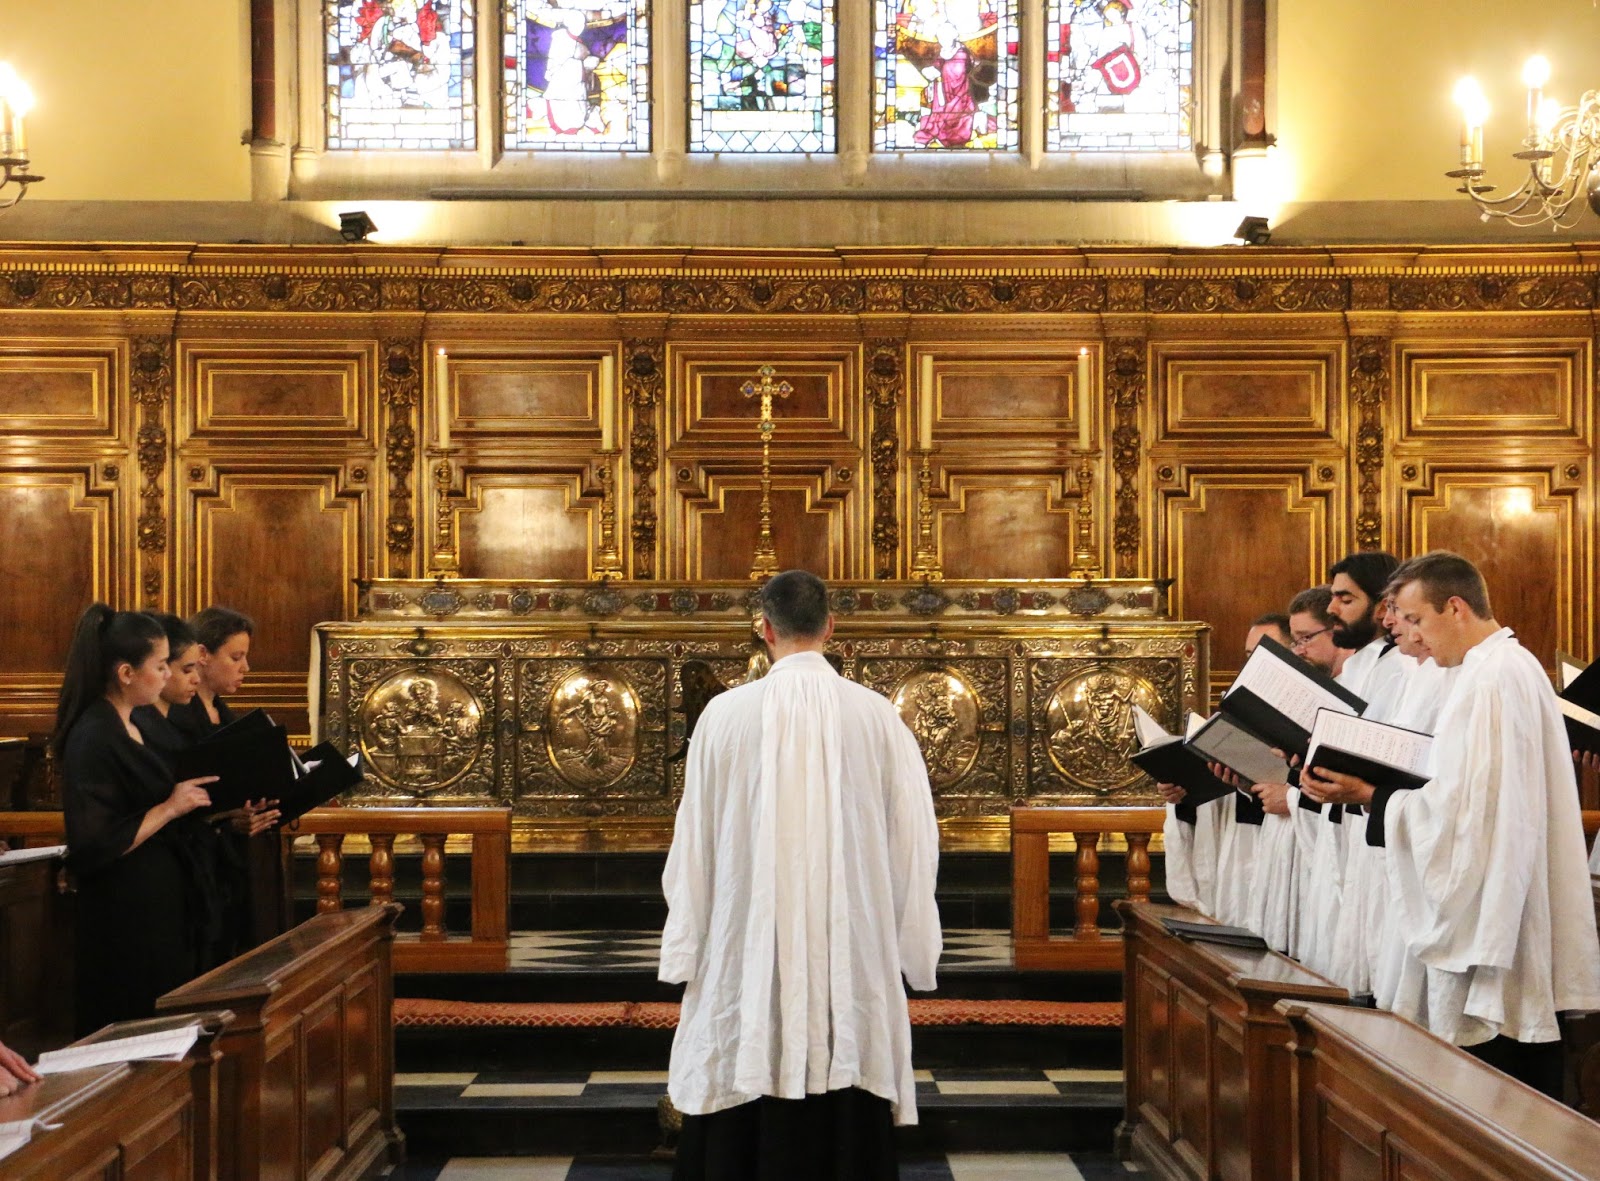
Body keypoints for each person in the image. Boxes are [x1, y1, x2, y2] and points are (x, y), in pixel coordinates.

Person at [661, 570, 941, 1181]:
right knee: (846, 1065)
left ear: (764, 629)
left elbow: (695, 845)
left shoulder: (722, 715)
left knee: (746, 1052)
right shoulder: (878, 717)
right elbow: (914, 842)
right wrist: (912, 951)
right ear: (831, 627)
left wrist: (687, 948)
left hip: (745, 943)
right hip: (852, 947)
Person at [1302, 551, 1600, 1096]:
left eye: (1415, 620)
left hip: (1492, 918)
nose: (1408, 636)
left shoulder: (1493, 678)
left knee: (1496, 1090)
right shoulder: (1494, 669)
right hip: (1495, 904)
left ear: (1456, 607)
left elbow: (1467, 814)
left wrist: (1372, 795)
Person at [53, 605, 220, 1035]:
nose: (167, 676)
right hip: (123, 908)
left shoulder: (138, 722)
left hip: (160, 898)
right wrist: (170, 806)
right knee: (131, 1020)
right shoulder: (94, 733)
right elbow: (94, 843)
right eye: (161, 666)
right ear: (126, 672)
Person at [133, 613, 278, 968]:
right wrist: (226, 820)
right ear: (203, 654)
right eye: (235, 656)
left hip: (226, 865)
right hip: (187, 866)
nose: (246, 667)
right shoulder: (167, 719)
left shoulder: (227, 715)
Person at [1160, 613, 1284, 921]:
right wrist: (1182, 790)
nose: (1253, 664)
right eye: (1248, 656)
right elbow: (1212, 793)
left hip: (1276, 840)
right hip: (1234, 844)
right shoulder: (1235, 709)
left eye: (1265, 653)